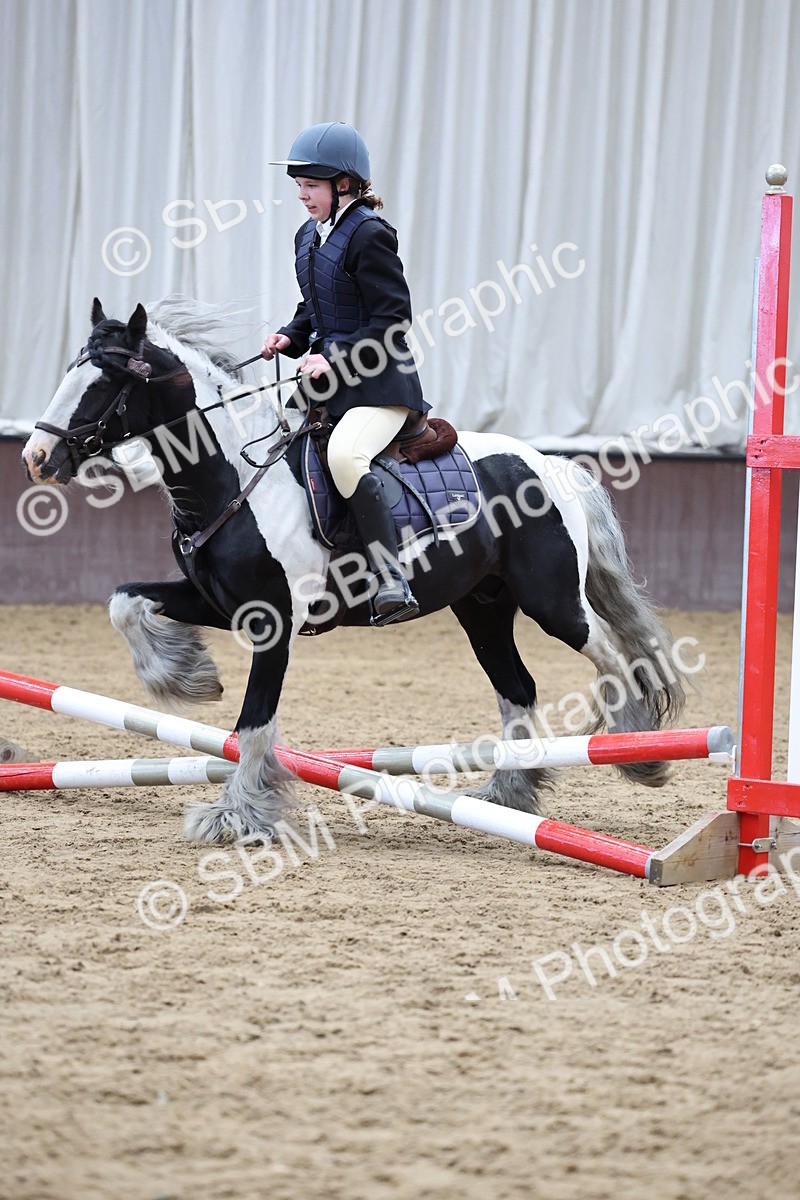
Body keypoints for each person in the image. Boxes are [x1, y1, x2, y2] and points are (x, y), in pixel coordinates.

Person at [263, 121, 428, 624]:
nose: (302, 195)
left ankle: (388, 577)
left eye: (311, 185)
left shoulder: (370, 235)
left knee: (345, 456)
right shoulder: (307, 235)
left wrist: (331, 356)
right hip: (328, 385)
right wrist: (291, 335)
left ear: (344, 185)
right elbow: (319, 306)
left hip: (380, 387)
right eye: (299, 185)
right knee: (275, 456)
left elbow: (393, 319)